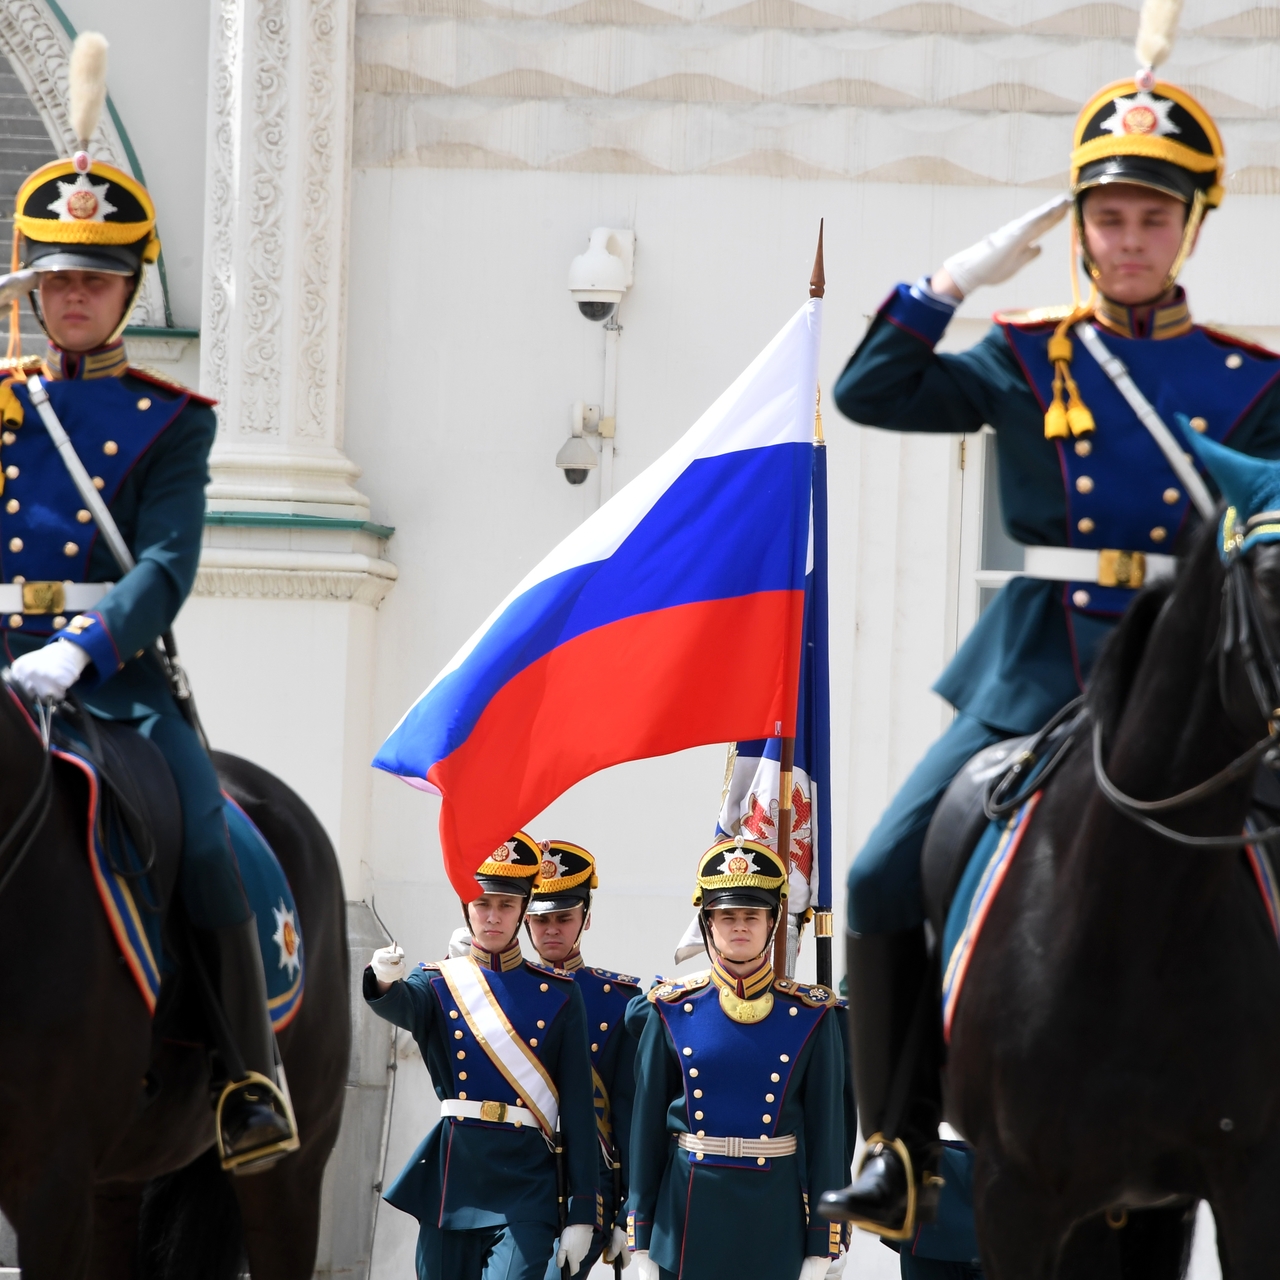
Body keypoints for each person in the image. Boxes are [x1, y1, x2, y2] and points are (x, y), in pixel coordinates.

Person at [818, 54, 1280, 1241]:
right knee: (877, 871)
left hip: (1192, 673)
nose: (1129, 239)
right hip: (1039, 664)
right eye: (1107, 215)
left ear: (1188, 229)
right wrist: (958, 276)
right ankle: (898, 1143)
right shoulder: (1029, 356)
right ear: (1076, 226)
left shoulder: (1252, 380)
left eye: (1152, 217)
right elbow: (872, 390)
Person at [0, 40, 294, 1169]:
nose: (73, 295)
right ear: (32, 281)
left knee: (210, 841)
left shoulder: (175, 418)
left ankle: (247, 1080)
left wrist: (81, 647)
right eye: (56, 276)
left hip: (111, 680)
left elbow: (167, 561)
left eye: (96, 277)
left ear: (128, 285)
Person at [366, 832, 600, 1280]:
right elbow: (401, 1004)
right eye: (482, 904)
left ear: (524, 909)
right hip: (454, 1177)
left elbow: (577, 1110)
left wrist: (582, 1211)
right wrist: (381, 980)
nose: (492, 917)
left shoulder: (560, 995)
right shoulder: (437, 982)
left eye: (506, 906)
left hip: (527, 1182)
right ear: (465, 909)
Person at [624, 836, 847, 1280]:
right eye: (727, 916)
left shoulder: (811, 1015)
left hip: (774, 1219)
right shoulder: (669, 1009)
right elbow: (646, 1130)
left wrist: (825, 1242)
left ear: (773, 922)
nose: (740, 926)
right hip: (686, 1216)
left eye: (752, 915)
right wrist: (641, 1238)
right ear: (708, 924)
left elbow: (828, 1136)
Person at [524, 838, 641, 1277]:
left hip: (589, 1184)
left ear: (585, 919)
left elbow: (629, 1112)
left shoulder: (618, 1002)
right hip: (517, 1174)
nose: (551, 929)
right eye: (540, 919)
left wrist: (629, 1207)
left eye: (563, 918)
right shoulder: (494, 995)